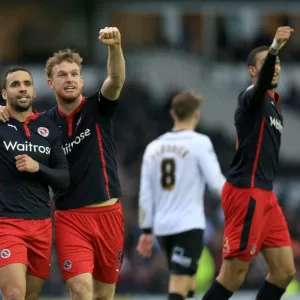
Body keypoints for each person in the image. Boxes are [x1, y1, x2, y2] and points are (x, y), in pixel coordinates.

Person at [0, 26, 125, 300]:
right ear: (50, 83)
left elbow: (115, 79)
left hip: (108, 214)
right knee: (80, 291)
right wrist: (3, 108)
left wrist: (114, 47)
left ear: (81, 80)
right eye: (61, 75)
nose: (69, 80)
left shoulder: (98, 108)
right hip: (69, 218)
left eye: (74, 74)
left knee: (104, 295)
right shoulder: (43, 123)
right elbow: (17, 117)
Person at [202, 26, 296, 300]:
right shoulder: (251, 97)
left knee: (284, 271)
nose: (275, 67)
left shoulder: (273, 103)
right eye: (268, 63)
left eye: (277, 62)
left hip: (266, 195)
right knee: (233, 275)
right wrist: (275, 47)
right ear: (253, 72)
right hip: (246, 193)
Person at [136, 91, 225, 300]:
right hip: (188, 224)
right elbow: (216, 184)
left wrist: (146, 230)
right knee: (179, 282)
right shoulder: (200, 142)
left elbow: (145, 193)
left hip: (162, 227)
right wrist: (238, 195)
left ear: (172, 114)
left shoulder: (153, 147)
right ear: (196, 115)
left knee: (188, 280)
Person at [0, 67, 69, 300]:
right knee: (14, 294)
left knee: (29, 296)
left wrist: (37, 167)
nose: (22, 88)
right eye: (15, 84)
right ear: (4, 94)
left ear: (33, 91)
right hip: (6, 222)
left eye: (27, 84)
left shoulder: (48, 127)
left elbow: (63, 178)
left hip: (41, 224)